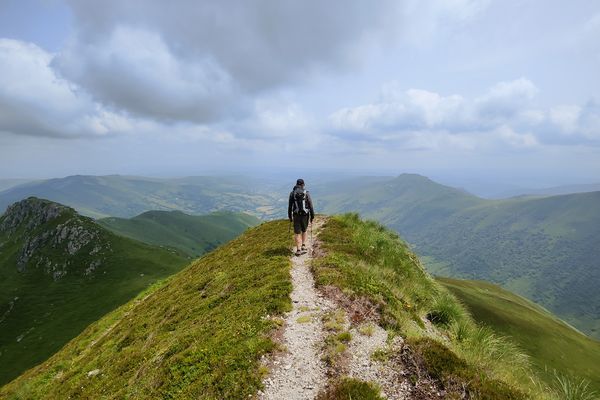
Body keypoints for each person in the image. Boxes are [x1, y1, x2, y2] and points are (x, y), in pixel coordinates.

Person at [288, 178, 315, 256]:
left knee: (297, 233)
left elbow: (290, 206)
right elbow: (310, 205)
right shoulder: (306, 193)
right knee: (304, 230)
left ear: (296, 184)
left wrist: (290, 216)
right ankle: (303, 245)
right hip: (305, 215)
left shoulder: (292, 193)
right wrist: (312, 216)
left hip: (296, 215)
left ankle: (298, 249)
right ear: (303, 184)